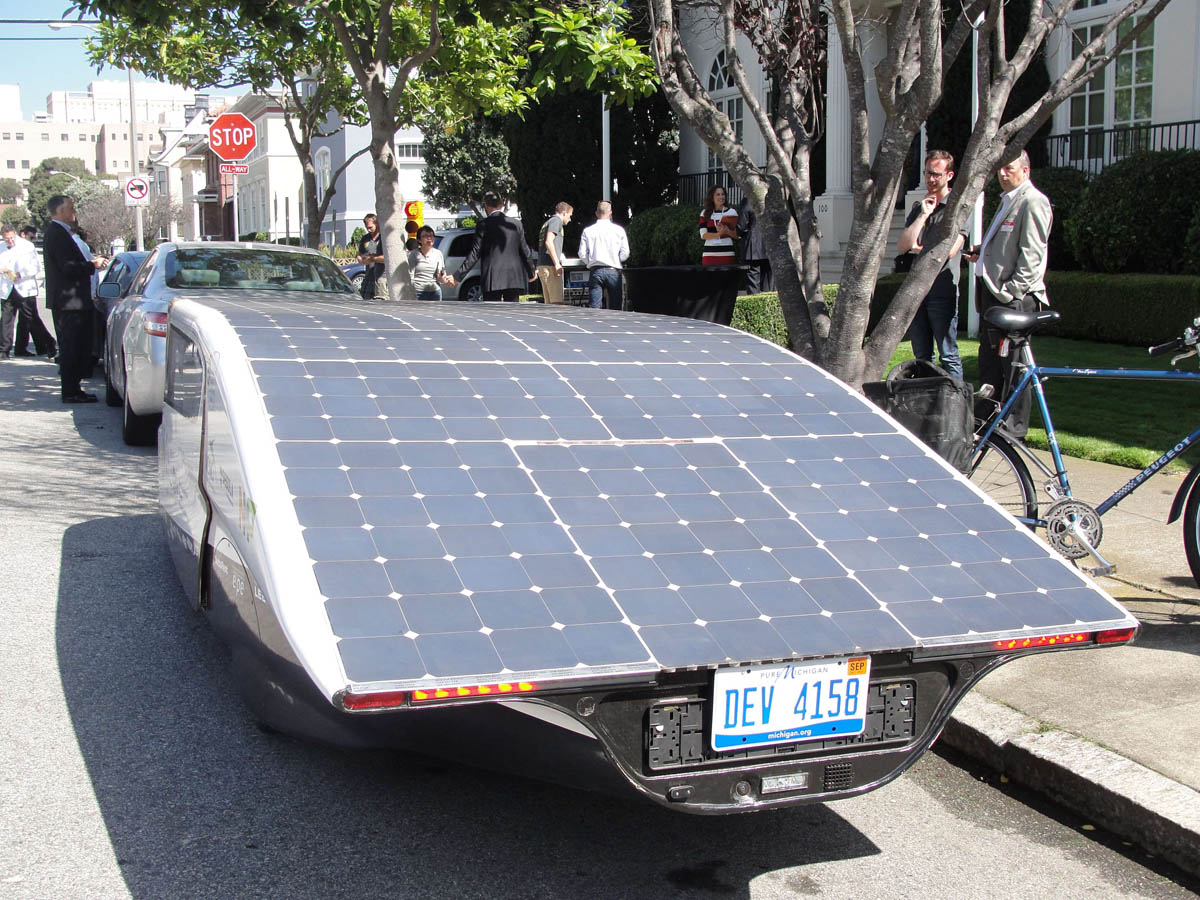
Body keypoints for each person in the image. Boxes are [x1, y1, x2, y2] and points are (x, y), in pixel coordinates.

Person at [965, 149, 1052, 438]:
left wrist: (1011, 291)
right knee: (990, 360)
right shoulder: (1008, 199)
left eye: (1009, 168)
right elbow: (1006, 244)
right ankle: (988, 417)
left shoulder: (1033, 201)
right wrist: (982, 252)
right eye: (1000, 168)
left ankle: (1014, 427)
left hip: (1013, 299)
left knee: (1014, 364)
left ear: (1025, 170)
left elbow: (1032, 255)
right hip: (992, 295)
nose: (1002, 173)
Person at [896, 149, 967, 380]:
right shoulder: (920, 208)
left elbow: (949, 251)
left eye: (937, 174)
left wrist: (919, 248)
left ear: (949, 175)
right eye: (928, 173)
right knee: (922, 356)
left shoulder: (956, 210)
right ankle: (926, 396)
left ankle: (956, 398)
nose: (931, 178)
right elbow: (903, 245)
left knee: (948, 354)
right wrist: (922, 216)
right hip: (918, 290)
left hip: (942, 290)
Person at [43, 194, 107, 403]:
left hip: (71, 302)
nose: (74, 212)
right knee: (71, 348)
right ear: (61, 211)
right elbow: (68, 267)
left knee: (77, 347)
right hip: (69, 302)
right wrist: (92, 265)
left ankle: (74, 388)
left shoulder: (60, 233)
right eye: (71, 208)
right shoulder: (57, 233)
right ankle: (71, 391)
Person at [449, 191, 536, 302]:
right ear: (501, 204)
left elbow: (475, 253)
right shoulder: (516, 224)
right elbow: (525, 250)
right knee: (512, 311)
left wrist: (457, 276)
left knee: (492, 311)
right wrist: (531, 272)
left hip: (492, 277)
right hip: (513, 277)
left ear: (485, 206)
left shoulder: (483, 225)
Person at [0, 225, 54, 359]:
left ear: (15, 234)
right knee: (6, 319)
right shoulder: (1, 247)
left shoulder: (27, 246)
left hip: (24, 287)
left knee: (31, 319)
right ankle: (4, 349)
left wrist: (21, 274)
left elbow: (35, 267)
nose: (9, 241)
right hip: (7, 287)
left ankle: (48, 343)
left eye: (11, 238)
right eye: (6, 239)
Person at [578, 200, 630, 311]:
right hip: (613, 270)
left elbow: (582, 253)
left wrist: (590, 262)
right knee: (616, 308)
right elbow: (625, 252)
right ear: (610, 213)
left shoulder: (588, 231)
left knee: (594, 308)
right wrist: (617, 260)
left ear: (596, 213)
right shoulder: (619, 230)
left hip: (596, 270)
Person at [536, 202, 573, 304]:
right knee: (557, 304)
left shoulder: (548, 222)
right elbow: (549, 241)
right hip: (550, 266)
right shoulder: (556, 221)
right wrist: (557, 263)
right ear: (564, 213)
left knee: (549, 304)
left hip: (543, 265)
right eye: (570, 215)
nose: (570, 219)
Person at [736, 196, 772, 294]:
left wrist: (737, 232)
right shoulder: (772, 199)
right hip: (769, 246)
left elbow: (741, 226)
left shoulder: (747, 201)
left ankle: (755, 302)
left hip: (752, 248)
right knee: (769, 284)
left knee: (753, 284)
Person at [407, 225, 450, 302]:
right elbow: (410, 276)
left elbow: (441, 275)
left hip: (435, 292)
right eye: (425, 236)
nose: (429, 238)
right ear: (419, 240)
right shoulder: (414, 254)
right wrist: (412, 293)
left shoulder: (438, 254)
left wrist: (443, 278)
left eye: (431, 236)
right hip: (418, 292)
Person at [699, 185, 738, 266]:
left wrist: (727, 231)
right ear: (712, 197)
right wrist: (719, 234)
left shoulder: (732, 212)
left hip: (727, 254)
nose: (721, 197)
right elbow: (703, 235)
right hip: (709, 255)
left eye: (723, 194)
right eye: (718, 194)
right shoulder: (704, 213)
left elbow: (737, 235)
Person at [356, 213, 386, 299]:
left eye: (370, 227)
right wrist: (360, 259)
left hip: (381, 277)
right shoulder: (365, 238)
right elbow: (360, 253)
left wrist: (373, 259)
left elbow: (388, 258)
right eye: (367, 228)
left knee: (380, 301)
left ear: (376, 224)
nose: (369, 230)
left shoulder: (383, 238)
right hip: (368, 276)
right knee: (365, 300)